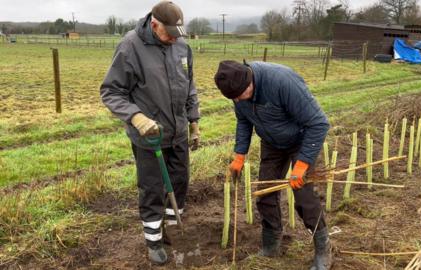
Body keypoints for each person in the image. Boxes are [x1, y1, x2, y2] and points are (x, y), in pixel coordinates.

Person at [100, 1, 200, 265]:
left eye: (177, 34)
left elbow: (189, 86)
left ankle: (169, 227)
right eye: (169, 33)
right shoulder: (130, 47)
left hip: (177, 132)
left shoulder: (180, 46)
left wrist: (194, 122)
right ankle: (153, 241)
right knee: (152, 188)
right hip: (149, 137)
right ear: (154, 25)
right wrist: (136, 117)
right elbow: (111, 91)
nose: (173, 39)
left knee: (179, 182)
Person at [214, 60, 331, 269]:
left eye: (241, 95)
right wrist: (239, 155)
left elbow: (319, 123)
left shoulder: (282, 82)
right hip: (272, 142)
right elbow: (243, 121)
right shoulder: (236, 89)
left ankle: (323, 250)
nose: (239, 100)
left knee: (304, 197)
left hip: (301, 141)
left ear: (249, 80)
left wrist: (302, 164)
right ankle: (271, 245)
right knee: (265, 193)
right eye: (235, 98)